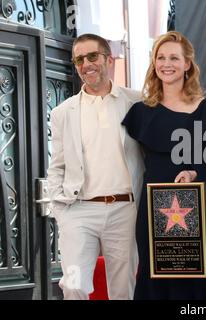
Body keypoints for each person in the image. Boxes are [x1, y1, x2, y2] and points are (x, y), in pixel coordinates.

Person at [122, 31, 206, 300]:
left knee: (194, 281)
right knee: (155, 277)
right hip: (154, 209)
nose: (167, 63)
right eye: (161, 57)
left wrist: (195, 173)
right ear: (154, 63)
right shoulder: (140, 112)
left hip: (197, 208)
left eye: (174, 58)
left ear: (188, 64)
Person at [47, 33, 144, 300]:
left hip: (124, 209)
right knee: (74, 285)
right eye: (79, 59)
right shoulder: (62, 112)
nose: (86, 64)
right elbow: (57, 165)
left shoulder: (137, 102)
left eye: (92, 56)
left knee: (123, 289)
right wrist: (60, 210)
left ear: (109, 59)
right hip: (78, 211)